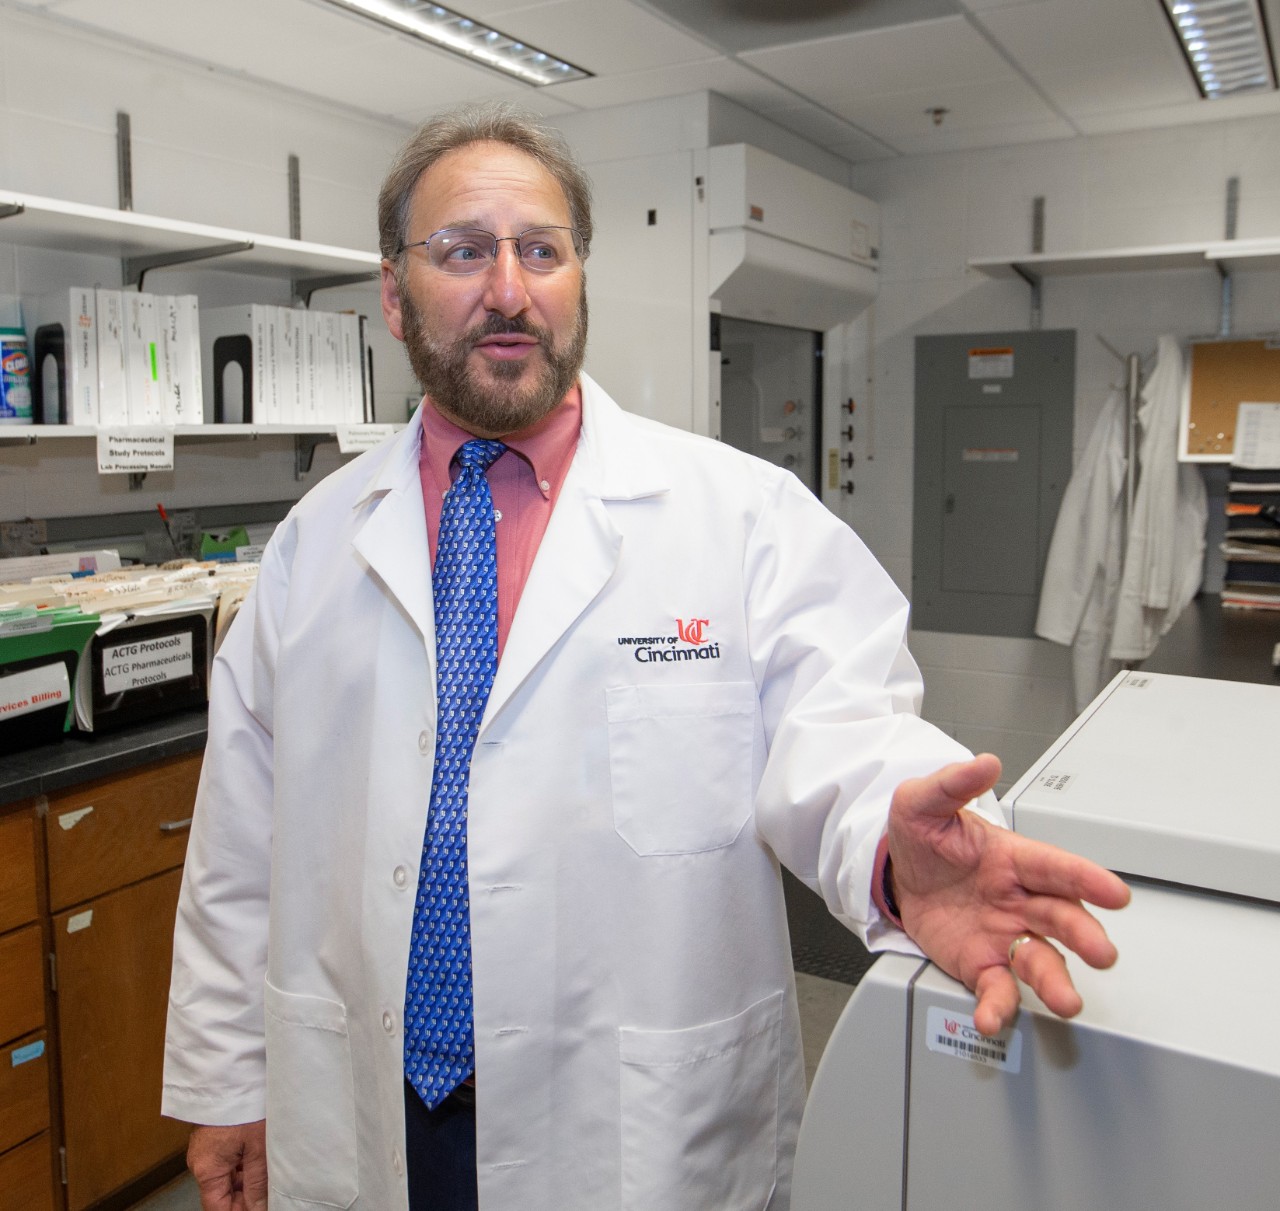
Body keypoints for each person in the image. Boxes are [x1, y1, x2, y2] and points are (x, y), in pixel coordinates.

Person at [161, 102, 1129, 1211]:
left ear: (579, 278)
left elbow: (848, 730)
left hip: (629, 1126)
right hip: (367, 1099)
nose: (509, 289)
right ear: (393, 292)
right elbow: (239, 838)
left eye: (542, 250)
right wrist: (226, 1078)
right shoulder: (316, 544)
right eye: (464, 251)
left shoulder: (741, 515)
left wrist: (894, 852)